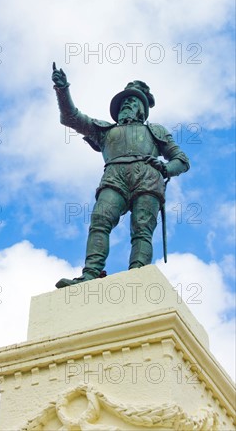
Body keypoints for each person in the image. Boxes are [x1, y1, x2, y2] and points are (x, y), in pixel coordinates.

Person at [52, 63, 190, 289]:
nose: (127, 103)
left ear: (141, 110)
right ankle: (90, 274)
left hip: (147, 176)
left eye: (132, 101)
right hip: (114, 175)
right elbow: (71, 117)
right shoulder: (104, 131)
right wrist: (62, 89)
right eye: (124, 101)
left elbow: (182, 160)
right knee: (100, 221)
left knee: (142, 228)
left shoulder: (155, 131)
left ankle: (137, 274)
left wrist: (165, 168)